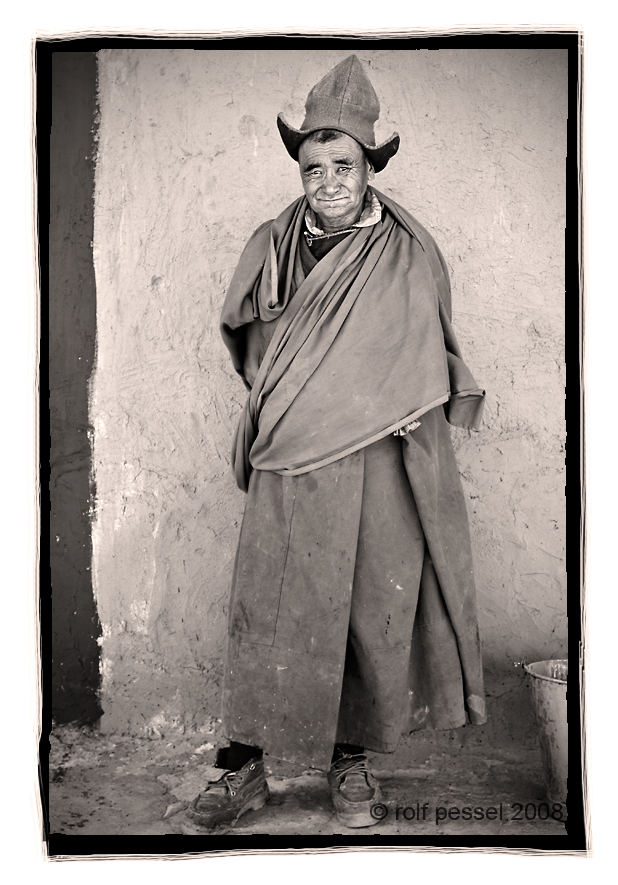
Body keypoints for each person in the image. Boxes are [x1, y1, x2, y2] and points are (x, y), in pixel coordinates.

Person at [182, 54, 487, 835]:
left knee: (364, 610)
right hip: (289, 455)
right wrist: (296, 394)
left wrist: (383, 400)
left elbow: (428, 350)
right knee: (269, 602)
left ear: (368, 165)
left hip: (377, 462)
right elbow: (249, 342)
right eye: (313, 165)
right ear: (301, 167)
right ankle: (240, 764)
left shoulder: (406, 253)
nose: (327, 180)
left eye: (343, 164)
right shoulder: (271, 243)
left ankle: (349, 763)